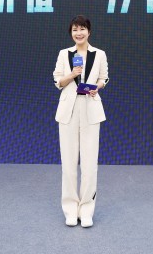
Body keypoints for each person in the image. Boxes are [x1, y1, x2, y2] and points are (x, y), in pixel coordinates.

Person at [52, 15, 109, 228]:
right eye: (75, 29)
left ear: (89, 31)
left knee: (89, 165)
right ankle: (70, 209)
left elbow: (104, 77)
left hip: (90, 110)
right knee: (68, 165)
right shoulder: (64, 54)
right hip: (68, 111)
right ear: (71, 33)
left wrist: (97, 87)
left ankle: (86, 210)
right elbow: (58, 81)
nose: (79, 33)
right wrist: (72, 74)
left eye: (82, 29)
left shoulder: (99, 54)